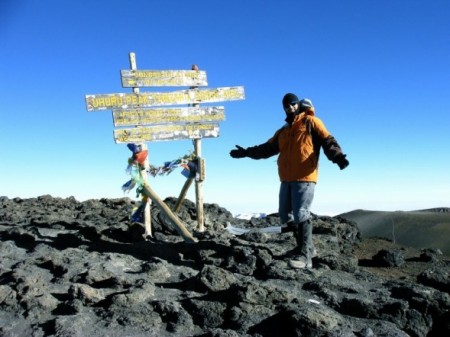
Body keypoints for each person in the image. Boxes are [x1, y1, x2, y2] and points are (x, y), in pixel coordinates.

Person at [230, 93, 349, 269]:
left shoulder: (311, 121)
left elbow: (327, 140)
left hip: (305, 176)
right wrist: (246, 152)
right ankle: (303, 247)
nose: (290, 107)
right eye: (286, 105)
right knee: (286, 215)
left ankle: (306, 257)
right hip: (286, 178)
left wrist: (337, 156)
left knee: (301, 213)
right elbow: (267, 148)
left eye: (293, 104)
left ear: (298, 104)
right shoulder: (283, 131)